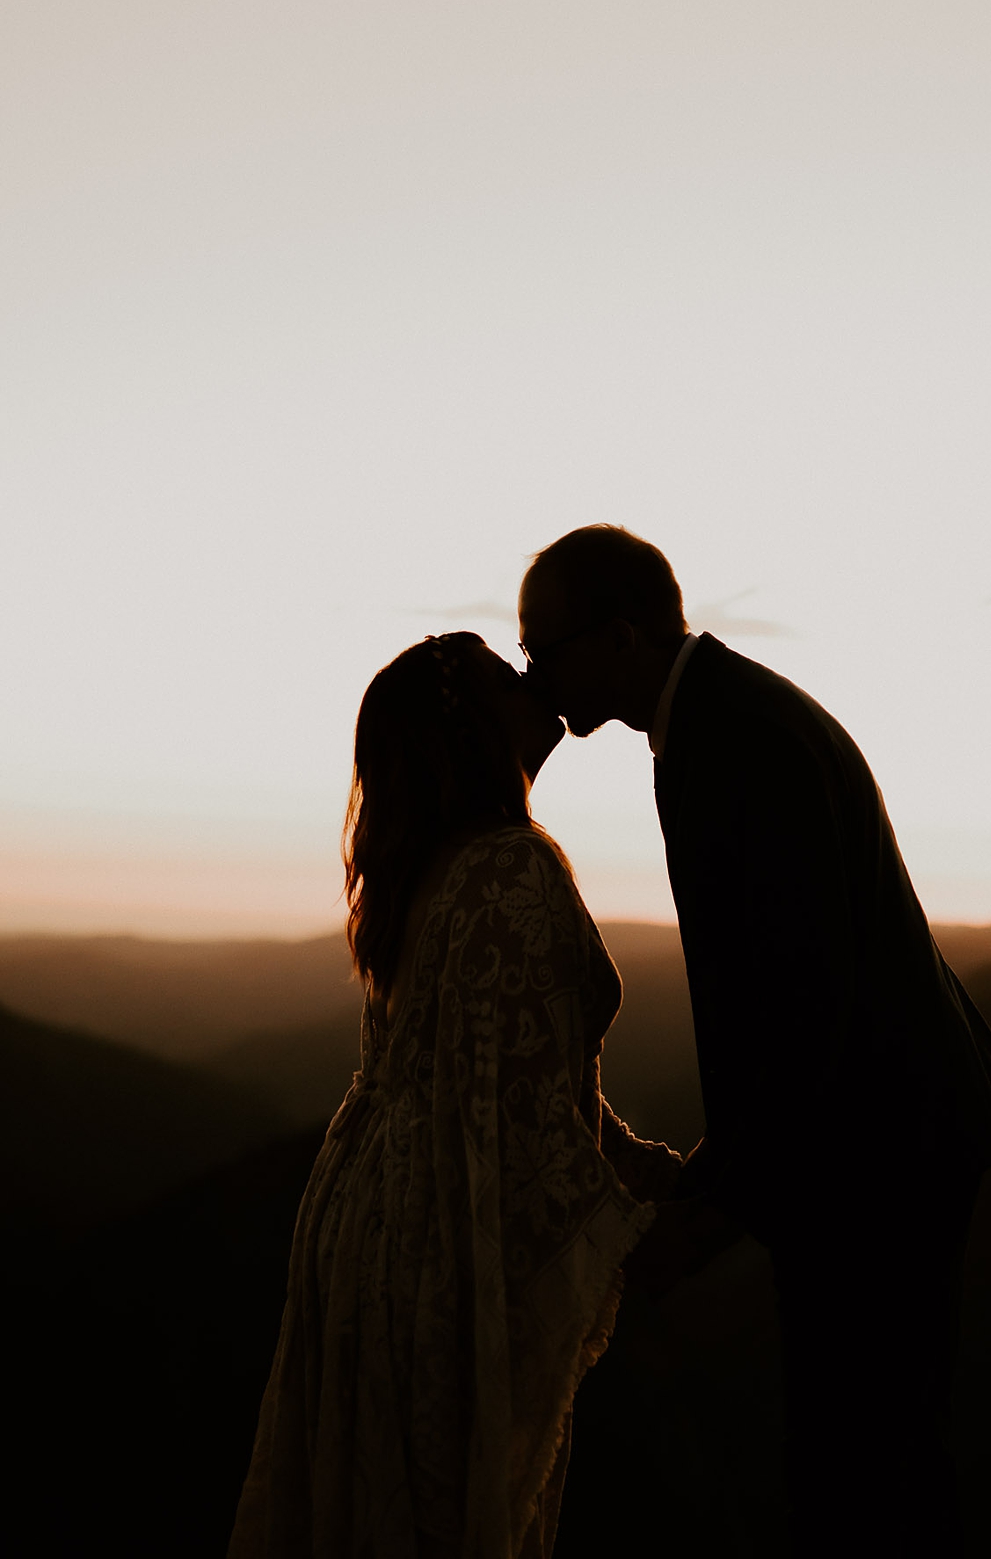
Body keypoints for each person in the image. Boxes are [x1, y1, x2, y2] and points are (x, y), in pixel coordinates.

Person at [518, 526, 991, 1558]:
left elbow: (802, 1000)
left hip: (886, 1151)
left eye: (545, 648)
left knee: (863, 1467)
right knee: (867, 1458)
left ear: (619, 637)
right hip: (879, 1138)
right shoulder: (717, 719)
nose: (534, 675)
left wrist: (712, 1214)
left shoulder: (732, 738)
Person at [228, 631, 681, 1559]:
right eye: (502, 673)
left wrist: (646, 1167)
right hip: (436, 1242)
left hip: (365, 1232)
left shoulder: (431, 868)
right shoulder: (511, 869)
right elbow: (529, 1134)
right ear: (470, 723)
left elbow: (510, 1077)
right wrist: (668, 1222)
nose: (529, 680)